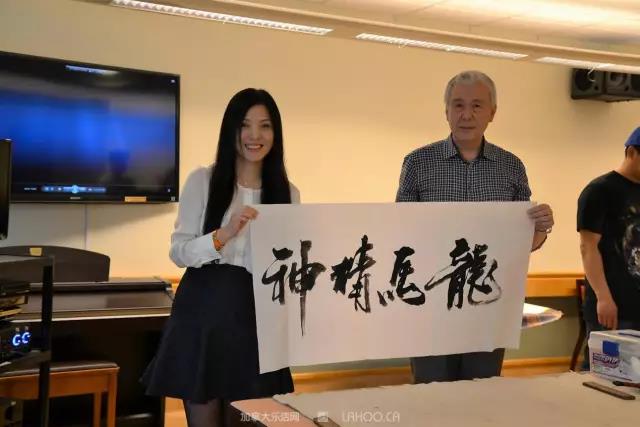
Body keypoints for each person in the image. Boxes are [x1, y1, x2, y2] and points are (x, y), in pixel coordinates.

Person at [142, 88, 298, 426]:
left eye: (265, 126)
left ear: (276, 133)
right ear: (231, 129)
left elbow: (287, 268)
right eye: (245, 125)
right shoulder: (203, 180)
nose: (255, 135)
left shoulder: (288, 193)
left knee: (247, 418)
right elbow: (179, 252)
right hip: (203, 314)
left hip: (256, 319)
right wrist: (223, 234)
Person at [395, 70, 554, 383]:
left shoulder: (511, 166)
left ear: (492, 113)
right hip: (431, 305)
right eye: (458, 105)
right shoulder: (418, 163)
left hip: (489, 304)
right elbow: (401, 232)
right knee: (431, 391)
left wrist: (541, 227)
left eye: (477, 106)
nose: (466, 115)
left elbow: (523, 243)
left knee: (482, 392)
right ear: (446, 111)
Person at [577, 127, 640, 368]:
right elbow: (588, 247)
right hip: (613, 304)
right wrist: (603, 297)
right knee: (607, 372)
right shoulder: (599, 191)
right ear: (632, 152)